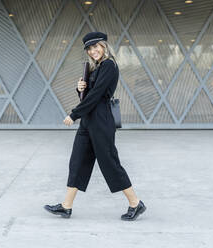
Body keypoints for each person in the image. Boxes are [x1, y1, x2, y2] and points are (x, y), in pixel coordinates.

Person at [44, 32, 146, 221]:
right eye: (89, 49)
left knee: (109, 163)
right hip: (89, 121)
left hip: (101, 120)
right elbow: (89, 95)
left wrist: (74, 114)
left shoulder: (109, 65)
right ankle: (66, 206)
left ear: (103, 46)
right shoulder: (96, 67)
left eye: (95, 47)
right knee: (77, 161)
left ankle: (135, 203)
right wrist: (80, 89)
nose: (93, 51)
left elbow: (97, 96)